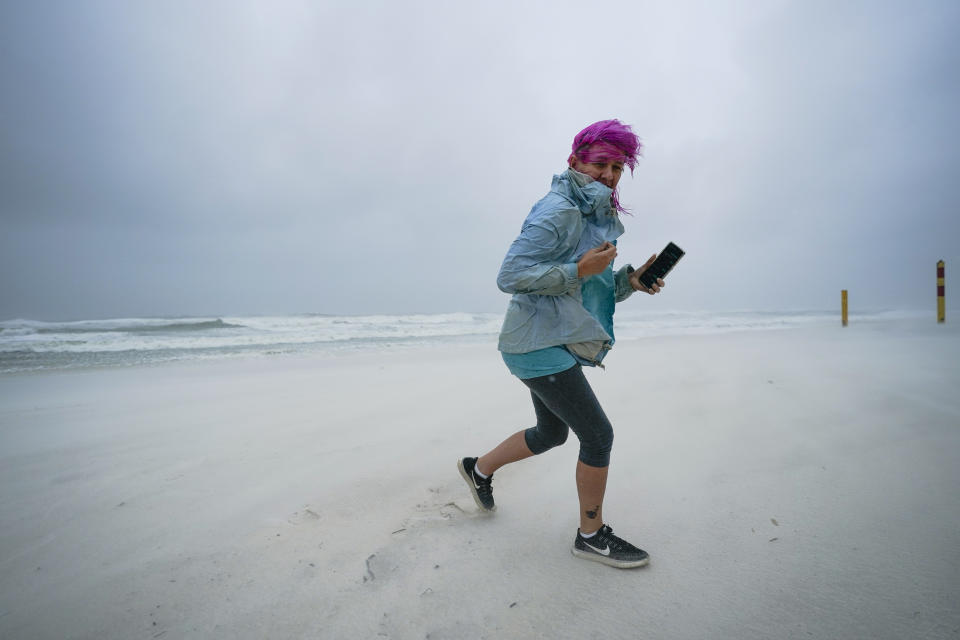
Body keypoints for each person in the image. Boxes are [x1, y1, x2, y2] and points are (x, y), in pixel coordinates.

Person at [458, 119, 665, 569]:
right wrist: (578, 271)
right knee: (597, 435)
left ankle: (478, 469)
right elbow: (509, 276)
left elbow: (585, 288)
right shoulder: (559, 211)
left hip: (550, 338)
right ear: (574, 161)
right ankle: (590, 536)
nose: (609, 175)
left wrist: (629, 282)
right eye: (600, 164)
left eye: (618, 166)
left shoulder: (592, 213)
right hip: (535, 344)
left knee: (552, 433)